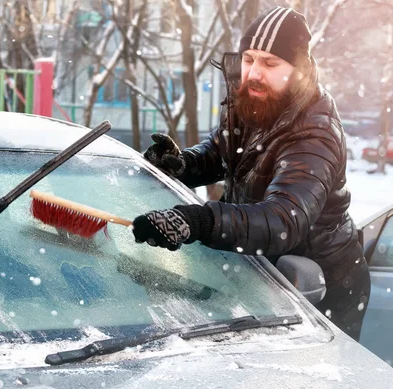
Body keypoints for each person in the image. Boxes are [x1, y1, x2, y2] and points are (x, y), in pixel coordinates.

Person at [132, 6, 370, 342]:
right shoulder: (257, 98)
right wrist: (183, 164)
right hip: (261, 268)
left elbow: (284, 219)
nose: (254, 73)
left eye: (270, 63)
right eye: (249, 59)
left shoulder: (315, 134)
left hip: (319, 284)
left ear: (298, 70)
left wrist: (201, 221)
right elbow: (223, 152)